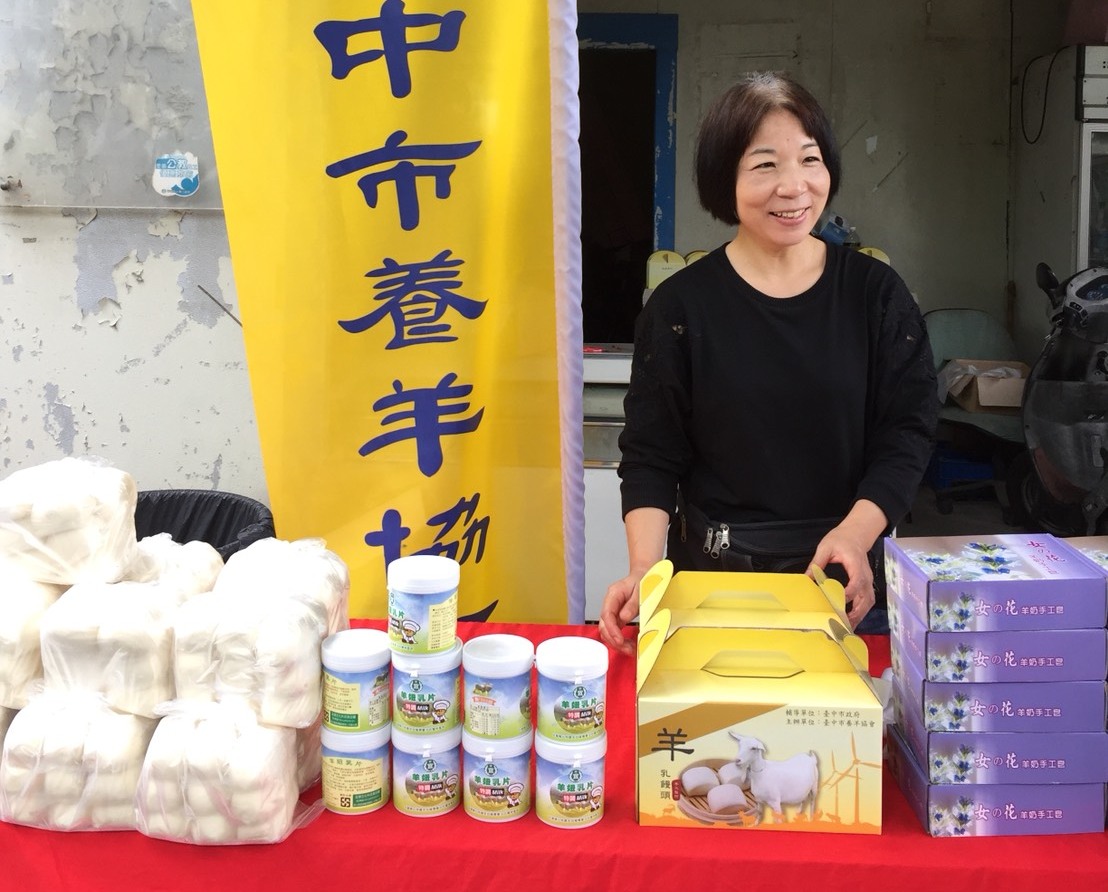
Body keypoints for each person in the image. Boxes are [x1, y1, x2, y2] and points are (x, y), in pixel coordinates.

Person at [598, 72, 937, 655]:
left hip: (844, 584)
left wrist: (856, 535)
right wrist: (644, 570)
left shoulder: (875, 294)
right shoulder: (680, 308)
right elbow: (652, 454)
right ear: (723, 179)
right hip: (712, 585)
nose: (794, 186)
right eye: (765, 165)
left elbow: (907, 431)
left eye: (809, 159)